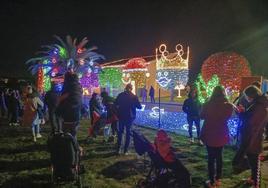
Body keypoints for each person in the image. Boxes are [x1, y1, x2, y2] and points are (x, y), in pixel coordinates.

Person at [200, 86, 233, 188]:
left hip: (209, 133)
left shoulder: (207, 104)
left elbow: (201, 116)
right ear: (223, 93)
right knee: (219, 157)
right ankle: (218, 179)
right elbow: (228, 116)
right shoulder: (228, 105)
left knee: (211, 158)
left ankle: (211, 181)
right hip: (221, 133)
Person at [236, 86, 268, 187]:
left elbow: (251, 123)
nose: (246, 98)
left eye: (247, 96)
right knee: (253, 162)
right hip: (252, 137)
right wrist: (243, 112)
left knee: (254, 163)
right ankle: (253, 179)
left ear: (252, 95)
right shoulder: (258, 104)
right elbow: (251, 118)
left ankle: (256, 183)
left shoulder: (260, 106)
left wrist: (241, 113)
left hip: (253, 138)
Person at [115, 83, 142, 154]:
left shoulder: (120, 95)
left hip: (121, 116)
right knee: (128, 133)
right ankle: (125, 150)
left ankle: (118, 149)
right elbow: (139, 107)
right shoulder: (133, 96)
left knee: (120, 133)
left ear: (126, 88)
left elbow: (115, 104)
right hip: (130, 117)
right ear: (131, 89)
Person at [56, 72, 82, 138]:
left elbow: (62, 98)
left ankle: (70, 146)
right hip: (77, 111)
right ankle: (75, 146)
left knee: (67, 133)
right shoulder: (78, 86)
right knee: (74, 132)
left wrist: (58, 102)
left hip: (68, 112)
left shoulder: (69, 86)